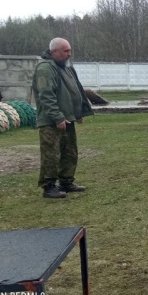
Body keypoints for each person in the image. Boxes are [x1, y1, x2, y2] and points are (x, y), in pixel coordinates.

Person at [32, 37, 94, 199]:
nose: (69, 54)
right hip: (52, 121)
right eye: (65, 51)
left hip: (68, 118)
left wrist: (78, 112)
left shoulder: (65, 67)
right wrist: (58, 117)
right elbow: (46, 96)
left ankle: (66, 182)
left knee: (69, 152)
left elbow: (76, 90)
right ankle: (49, 186)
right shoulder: (45, 69)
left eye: (70, 51)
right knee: (51, 154)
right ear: (54, 52)